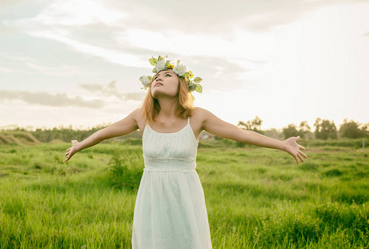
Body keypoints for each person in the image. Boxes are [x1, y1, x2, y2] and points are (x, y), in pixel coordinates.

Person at [64, 55, 307, 249]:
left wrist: (282, 144)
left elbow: (240, 133)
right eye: (155, 77)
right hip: (151, 195)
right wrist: (80, 145)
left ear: (181, 84)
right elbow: (106, 132)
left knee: (187, 241)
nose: (158, 78)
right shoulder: (141, 117)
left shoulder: (197, 116)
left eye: (166, 75)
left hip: (185, 195)